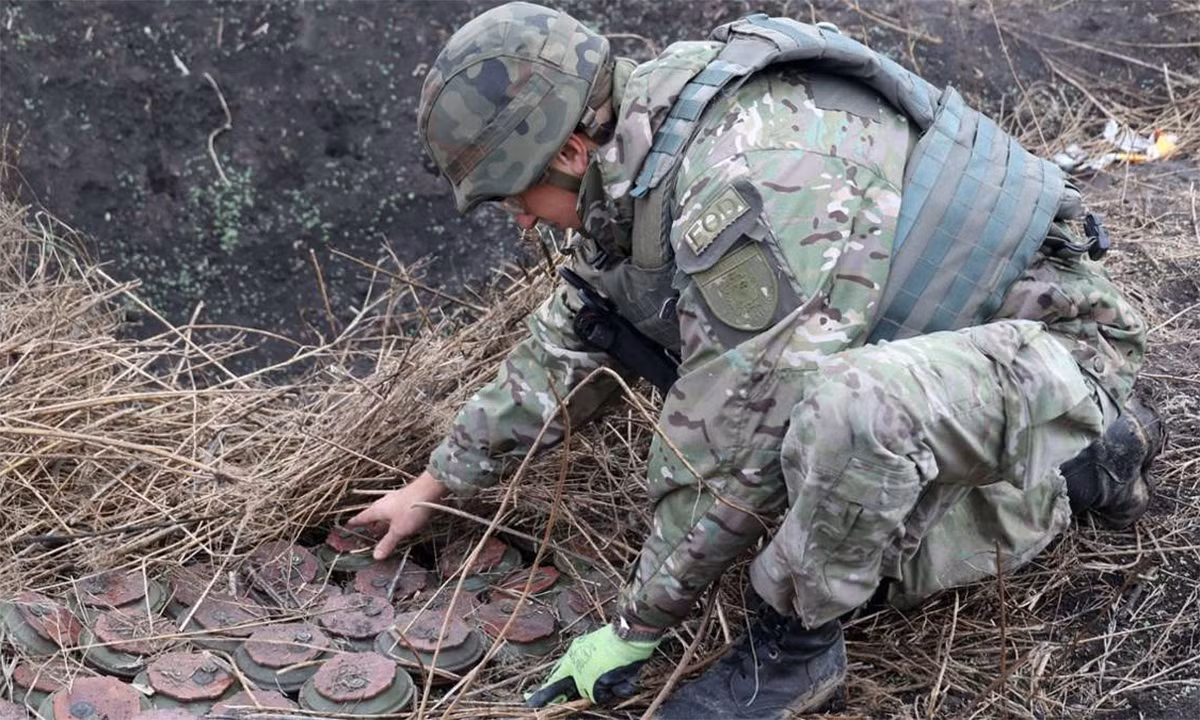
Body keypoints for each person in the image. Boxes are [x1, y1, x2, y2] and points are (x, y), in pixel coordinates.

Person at [349, 3, 1166, 716]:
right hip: (959, 354)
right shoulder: (639, 139)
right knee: (826, 461)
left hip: (1053, 356)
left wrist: (634, 630)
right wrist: (433, 489)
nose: (522, 223)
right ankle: (1077, 460)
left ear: (565, 152)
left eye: (512, 196)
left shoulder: (747, 182)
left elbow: (730, 448)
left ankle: (797, 649)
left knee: (849, 424)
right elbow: (570, 336)